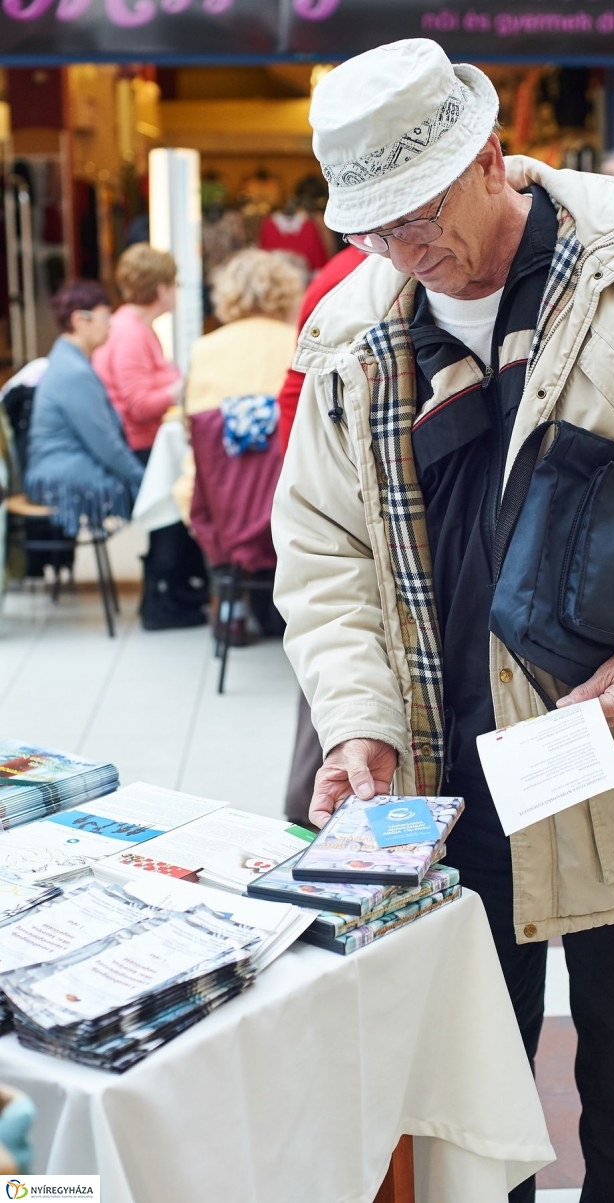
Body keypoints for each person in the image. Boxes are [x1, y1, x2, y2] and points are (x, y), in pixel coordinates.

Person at [272, 39, 614, 1203]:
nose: (405, 253)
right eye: (373, 232)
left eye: (419, 217)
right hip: (445, 787)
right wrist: (357, 720)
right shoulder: (353, 327)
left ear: (489, 158)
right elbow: (322, 552)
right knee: (465, 1121)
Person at [276, 242, 365, 824]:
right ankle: (311, 816)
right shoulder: (346, 284)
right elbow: (297, 396)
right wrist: (320, 490)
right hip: (349, 509)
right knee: (341, 667)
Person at [179, 247, 304, 643]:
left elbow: (193, 431)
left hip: (225, 502)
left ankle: (229, 599)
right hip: (289, 494)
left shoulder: (205, 348)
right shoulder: (299, 342)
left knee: (196, 489)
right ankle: (284, 604)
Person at [94, 243, 208, 630]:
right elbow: (139, 404)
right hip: (137, 447)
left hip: (145, 442)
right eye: (173, 284)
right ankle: (166, 597)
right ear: (160, 289)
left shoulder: (134, 327)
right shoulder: (131, 333)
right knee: (186, 489)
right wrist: (183, 387)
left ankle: (179, 589)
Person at [25, 280, 143, 536]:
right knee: (150, 489)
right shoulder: (75, 372)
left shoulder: (66, 358)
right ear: (79, 320)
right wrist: (143, 478)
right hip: (61, 478)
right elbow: (105, 444)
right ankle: (164, 559)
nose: (109, 326)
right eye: (105, 318)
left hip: (52, 472)